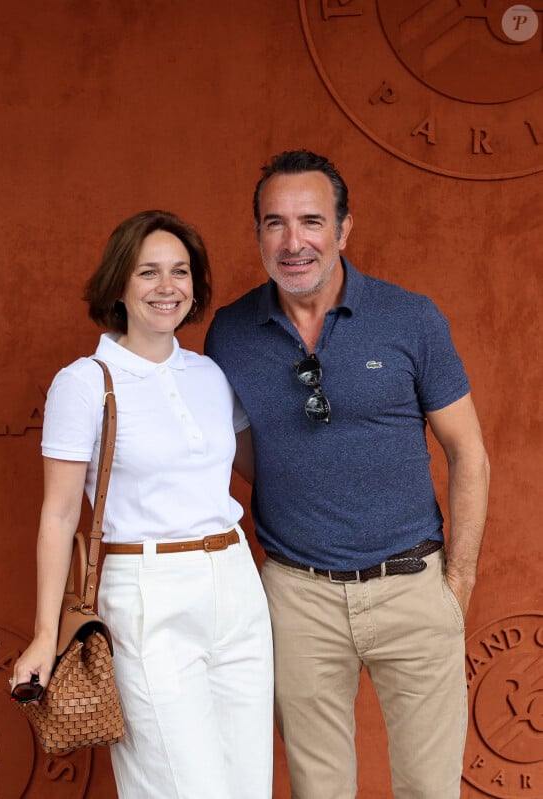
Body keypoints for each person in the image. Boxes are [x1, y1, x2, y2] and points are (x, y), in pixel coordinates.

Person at [205, 150, 490, 799]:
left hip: (413, 586)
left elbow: (468, 452)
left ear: (344, 228)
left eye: (311, 220)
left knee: (429, 787)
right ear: (257, 235)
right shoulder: (230, 333)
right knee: (318, 790)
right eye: (274, 223)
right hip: (297, 597)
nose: (294, 240)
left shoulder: (411, 319)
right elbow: (242, 450)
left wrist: (457, 584)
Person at [12, 210, 274, 799]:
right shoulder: (85, 381)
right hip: (146, 591)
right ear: (119, 286)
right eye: (148, 272)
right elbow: (58, 516)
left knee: (249, 784)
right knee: (180, 787)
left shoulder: (211, 375)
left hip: (235, 585)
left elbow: (257, 471)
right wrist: (43, 634)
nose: (167, 287)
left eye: (180, 272)